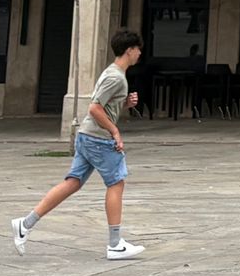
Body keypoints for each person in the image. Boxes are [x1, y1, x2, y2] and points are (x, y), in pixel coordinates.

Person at [12, 28, 145, 261]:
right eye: (137, 49)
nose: (140, 53)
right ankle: (115, 244)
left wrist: (124, 104)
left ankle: (25, 223)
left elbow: (103, 105)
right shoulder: (115, 77)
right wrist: (115, 131)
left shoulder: (113, 74)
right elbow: (94, 108)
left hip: (87, 136)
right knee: (116, 183)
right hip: (97, 139)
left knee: (73, 182)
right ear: (129, 50)